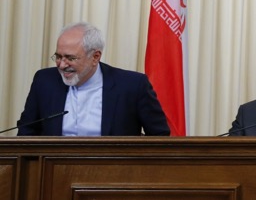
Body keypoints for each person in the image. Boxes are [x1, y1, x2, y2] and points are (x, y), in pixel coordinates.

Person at [17, 22, 170, 136]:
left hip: (112, 173)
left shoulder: (133, 86)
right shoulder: (44, 81)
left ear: (95, 57)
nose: (62, 65)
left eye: (70, 58)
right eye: (58, 57)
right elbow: (27, 130)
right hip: (53, 172)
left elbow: (159, 137)